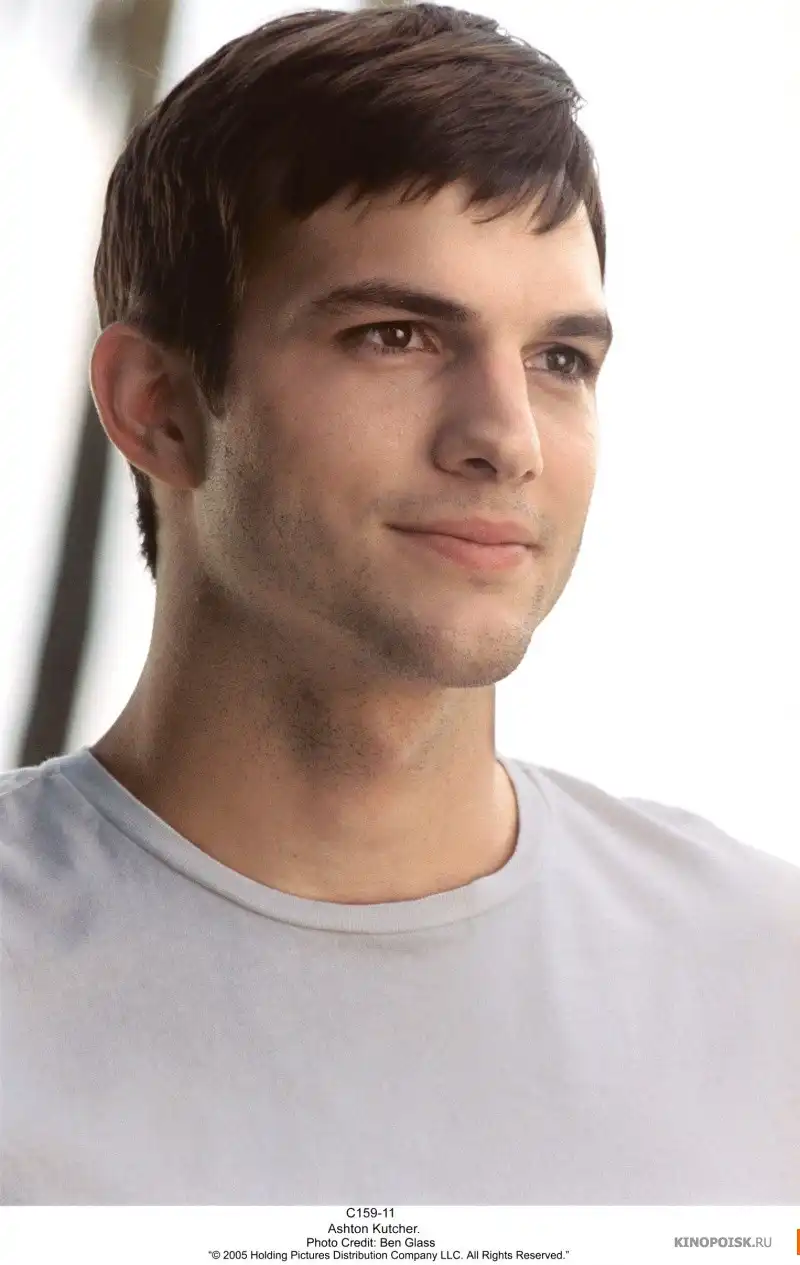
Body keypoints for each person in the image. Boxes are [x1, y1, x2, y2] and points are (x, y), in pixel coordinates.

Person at [1, 1, 798, 1208]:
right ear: (157, 405)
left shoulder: (763, 984)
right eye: (396, 335)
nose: (504, 438)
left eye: (559, 360)